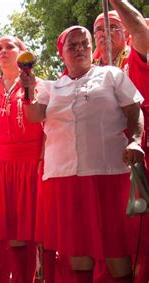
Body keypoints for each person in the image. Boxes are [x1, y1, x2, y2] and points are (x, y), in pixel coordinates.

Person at [25, 25, 143, 283]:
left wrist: (135, 141)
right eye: (72, 45)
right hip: (64, 176)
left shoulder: (111, 75)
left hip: (107, 172)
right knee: (77, 253)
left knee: (115, 250)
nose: (79, 49)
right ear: (62, 53)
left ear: (93, 49)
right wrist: (27, 91)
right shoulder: (50, 88)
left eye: (84, 44)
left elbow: (135, 111)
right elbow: (34, 115)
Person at [0, 36, 43, 283]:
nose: (4, 51)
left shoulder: (40, 85)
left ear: (23, 53)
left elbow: (47, 127)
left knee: (24, 234)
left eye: (10, 47)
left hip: (30, 165)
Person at [92, 3, 149, 281]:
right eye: (99, 29)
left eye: (113, 27)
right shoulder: (87, 71)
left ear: (125, 34)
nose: (104, 33)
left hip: (140, 157)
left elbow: (140, 28)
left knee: (141, 238)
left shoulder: (136, 55)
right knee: (108, 240)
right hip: (103, 163)